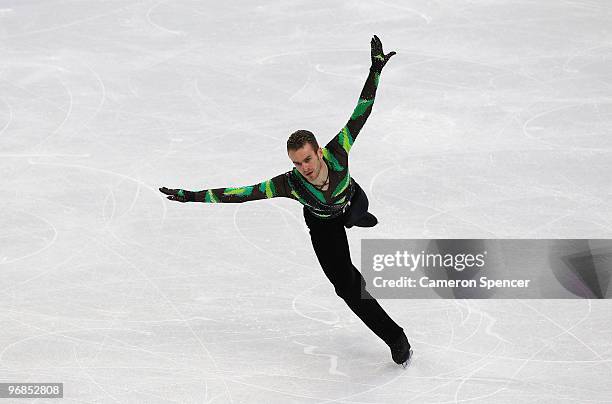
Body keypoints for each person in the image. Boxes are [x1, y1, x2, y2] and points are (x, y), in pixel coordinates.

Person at [160, 35, 412, 367]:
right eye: (297, 163)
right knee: (347, 288)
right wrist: (191, 197)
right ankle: (396, 337)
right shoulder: (289, 184)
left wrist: (375, 69)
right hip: (323, 226)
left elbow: (362, 109)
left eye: (307, 159)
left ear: (318, 151)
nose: (304, 168)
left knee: (357, 213)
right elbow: (240, 194)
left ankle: (356, 218)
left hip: (352, 199)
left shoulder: (339, 151)